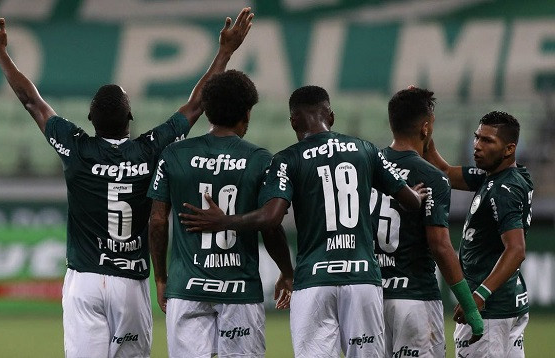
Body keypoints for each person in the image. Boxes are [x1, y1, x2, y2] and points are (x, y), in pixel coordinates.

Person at [0, 6, 254, 357]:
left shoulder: (76, 149)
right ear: (131, 118)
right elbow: (196, 106)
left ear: (89, 119)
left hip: (85, 281)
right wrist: (225, 51)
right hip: (130, 284)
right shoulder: (150, 151)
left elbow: (32, 101)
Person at [179, 85, 427, 358]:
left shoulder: (287, 159)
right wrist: (414, 193)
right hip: (362, 279)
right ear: (330, 117)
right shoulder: (366, 150)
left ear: (293, 121)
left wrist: (225, 221)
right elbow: (411, 204)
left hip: (314, 280)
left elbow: (271, 217)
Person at [147, 68, 293, 358]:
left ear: (208, 111)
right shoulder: (260, 159)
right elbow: (271, 225)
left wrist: (162, 278)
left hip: (187, 287)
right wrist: (287, 272)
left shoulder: (174, 154)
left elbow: (158, 220)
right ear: (247, 113)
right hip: (240, 289)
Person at [369, 87, 483, 358]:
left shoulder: (370, 165)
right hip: (415, 298)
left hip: (372, 299)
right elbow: (440, 246)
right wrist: (469, 306)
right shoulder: (432, 178)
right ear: (425, 127)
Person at [424, 111, 532, 358]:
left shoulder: (504, 188)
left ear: (509, 149)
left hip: (491, 310)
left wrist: (479, 296)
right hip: (505, 305)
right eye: (477, 137)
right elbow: (443, 171)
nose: (477, 146)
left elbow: (516, 249)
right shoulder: (496, 176)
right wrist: (426, 125)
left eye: (487, 141)